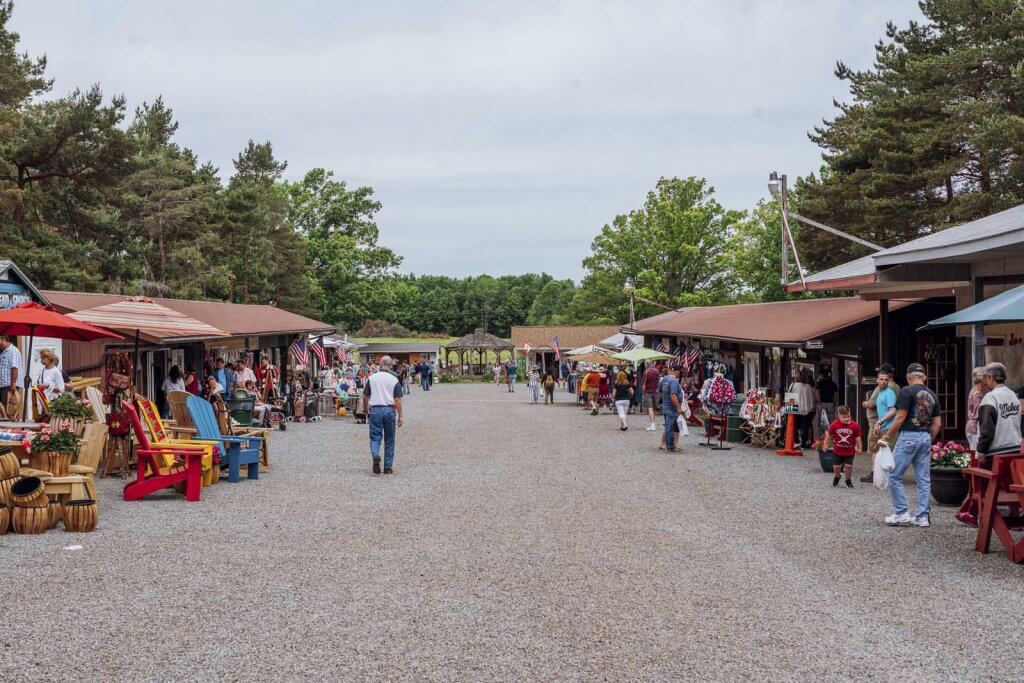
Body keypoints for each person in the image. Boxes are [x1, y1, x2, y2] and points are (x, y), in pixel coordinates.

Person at [878, 363, 942, 527]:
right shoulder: (933, 394)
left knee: (894, 475)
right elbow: (938, 424)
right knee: (923, 479)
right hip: (925, 436)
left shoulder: (907, 391)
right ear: (924, 377)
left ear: (908, 376)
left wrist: (887, 436)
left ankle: (901, 513)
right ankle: (922, 517)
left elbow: (900, 417)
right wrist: (929, 439)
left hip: (908, 436)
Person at [361, 355, 404, 475]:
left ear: (380, 364)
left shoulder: (372, 378)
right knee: (390, 439)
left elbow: (365, 396)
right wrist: (400, 416)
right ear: (390, 366)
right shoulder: (394, 379)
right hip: (389, 410)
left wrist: (365, 409)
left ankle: (375, 454)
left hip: (375, 409)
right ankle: (388, 467)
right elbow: (398, 400)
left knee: (375, 437)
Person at [860, 363, 899, 483]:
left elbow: (890, 409)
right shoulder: (894, 387)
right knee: (883, 450)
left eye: (885, 378)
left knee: (879, 450)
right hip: (881, 424)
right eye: (881, 379)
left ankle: (879, 474)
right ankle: (881, 474)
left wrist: (864, 403)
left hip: (881, 424)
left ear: (889, 377)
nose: (883, 381)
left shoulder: (887, 390)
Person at [976, 362, 1021, 463]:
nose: (986, 381)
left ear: (991, 377)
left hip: (996, 452)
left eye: (986, 378)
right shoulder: (1013, 395)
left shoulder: (990, 397)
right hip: (1015, 448)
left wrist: (981, 451)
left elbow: (986, 428)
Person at [825, 405, 862, 488]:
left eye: (848, 416)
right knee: (837, 467)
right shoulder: (835, 424)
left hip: (849, 451)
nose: (847, 419)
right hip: (837, 451)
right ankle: (837, 476)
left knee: (848, 466)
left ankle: (848, 480)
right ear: (839, 416)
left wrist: (859, 448)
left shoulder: (854, 426)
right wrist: (826, 444)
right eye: (844, 417)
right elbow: (829, 435)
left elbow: (858, 437)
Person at [659, 365, 684, 452]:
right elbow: (673, 395)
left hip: (665, 406)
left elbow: (660, 391)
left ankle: (668, 445)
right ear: (678, 372)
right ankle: (670, 447)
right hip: (671, 408)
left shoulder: (665, 379)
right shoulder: (673, 381)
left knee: (668, 426)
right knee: (670, 427)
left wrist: (665, 400)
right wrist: (678, 407)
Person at [788, 370, 815, 448]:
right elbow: (811, 399)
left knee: (795, 426)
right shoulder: (808, 386)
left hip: (795, 408)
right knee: (805, 427)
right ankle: (803, 443)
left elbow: (790, 397)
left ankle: (796, 442)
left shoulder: (793, 385)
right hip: (807, 409)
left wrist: (789, 408)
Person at [965, 367, 989, 452]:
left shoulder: (982, 389)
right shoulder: (977, 393)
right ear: (981, 379)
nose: (988, 379)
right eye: (986, 376)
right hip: (975, 427)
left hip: (974, 426)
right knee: (976, 454)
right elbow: (980, 413)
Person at [814, 367, 839, 440]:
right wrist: (834, 403)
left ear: (822, 375)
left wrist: (819, 403)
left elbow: (817, 393)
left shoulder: (819, 383)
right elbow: (835, 395)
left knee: (821, 422)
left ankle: (822, 439)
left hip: (822, 404)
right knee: (830, 422)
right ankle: (830, 439)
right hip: (831, 404)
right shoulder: (833, 383)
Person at [0, 335, 22, 409]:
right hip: (4, 385)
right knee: (5, 408)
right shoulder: (4, 351)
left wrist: (13, 384)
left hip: (9, 385)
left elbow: (14, 368)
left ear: (3, 339)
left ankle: (12, 419)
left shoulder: (13, 351)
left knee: (9, 409)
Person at [642, 362, 660, 431]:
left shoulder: (646, 372)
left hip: (648, 392)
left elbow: (644, 384)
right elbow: (658, 381)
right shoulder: (657, 371)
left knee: (650, 408)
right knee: (654, 409)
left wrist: (643, 392)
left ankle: (652, 425)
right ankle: (653, 425)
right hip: (656, 391)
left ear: (646, 365)